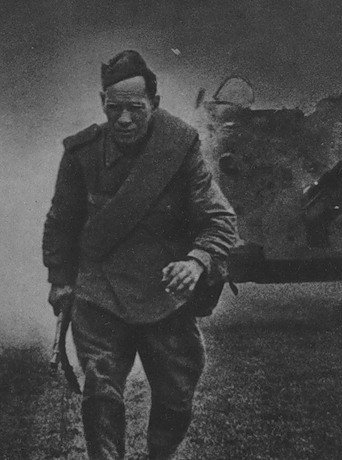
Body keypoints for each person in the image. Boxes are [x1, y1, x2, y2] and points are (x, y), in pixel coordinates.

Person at [43, 50, 237, 459]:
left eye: (136, 108)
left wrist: (196, 260)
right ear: (103, 103)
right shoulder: (81, 153)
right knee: (100, 392)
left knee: (176, 396)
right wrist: (60, 281)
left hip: (165, 293)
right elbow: (61, 222)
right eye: (115, 108)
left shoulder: (180, 148)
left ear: (155, 103)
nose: (125, 119)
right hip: (99, 291)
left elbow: (219, 219)